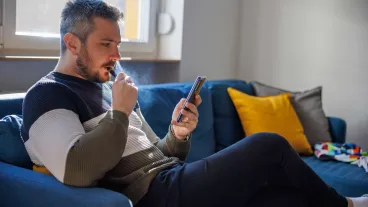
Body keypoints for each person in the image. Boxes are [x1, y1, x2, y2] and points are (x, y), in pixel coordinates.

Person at [20, 1, 367, 207]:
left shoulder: (111, 88)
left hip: (170, 177)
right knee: (269, 145)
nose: (116, 55)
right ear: (72, 43)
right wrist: (121, 113)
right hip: (153, 196)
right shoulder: (47, 94)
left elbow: (157, 152)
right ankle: (346, 205)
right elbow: (75, 169)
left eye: (118, 45)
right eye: (106, 44)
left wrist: (179, 134)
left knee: (281, 196)